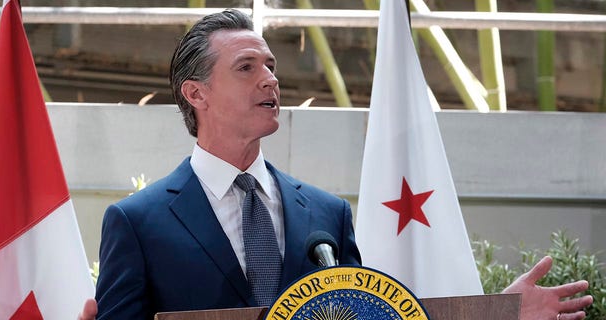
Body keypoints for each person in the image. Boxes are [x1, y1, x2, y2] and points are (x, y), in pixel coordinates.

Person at [79, 8, 593, 320]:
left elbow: (380, 319)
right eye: (246, 67)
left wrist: (497, 313)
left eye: (272, 66)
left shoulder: (325, 216)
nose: (270, 80)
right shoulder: (137, 223)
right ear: (197, 94)